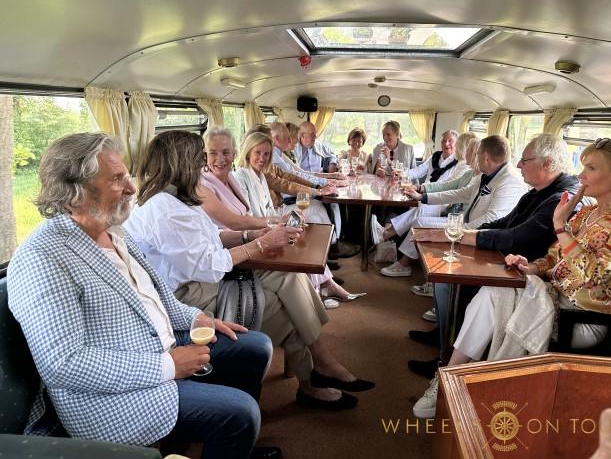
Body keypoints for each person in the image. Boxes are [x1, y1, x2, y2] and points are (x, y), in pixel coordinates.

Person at [7, 132, 279, 459]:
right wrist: (167, 365)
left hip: (157, 343)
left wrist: (197, 318)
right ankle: (232, 436)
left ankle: (236, 448)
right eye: (117, 179)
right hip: (113, 397)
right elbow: (64, 364)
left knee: (255, 348)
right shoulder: (43, 258)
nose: (132, 188)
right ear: (76, 191)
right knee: (240, 414)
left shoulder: (112, 231)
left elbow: (155, 296)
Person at [124, 130, 374, 413]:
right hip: (191, 294)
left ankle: (321, 364)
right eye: (200, 158)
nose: (203, 165)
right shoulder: (166, 210)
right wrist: (261, 243)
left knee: (291, 275)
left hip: (204, 278)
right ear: (182, 164)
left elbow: (213, 237)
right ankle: (313, 379)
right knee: (288, 310)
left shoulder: (179, 199)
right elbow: (208, 266)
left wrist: (251, 236)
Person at [413, 137, 611, 419]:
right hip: (555, 295)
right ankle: (452, 379)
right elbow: (555, 256)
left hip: (584, 317)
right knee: (491, 292)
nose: (581, 176)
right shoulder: (589, 213)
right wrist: (533, 266)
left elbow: (593, 274)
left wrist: (560, 226)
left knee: (493, 296)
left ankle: (461, 382)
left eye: (591, 168)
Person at [406, 134, 581, 379]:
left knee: (455, 282)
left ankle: (447, 357)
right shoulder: (536, 193)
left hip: (526, 270)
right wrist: (462, 234)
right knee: (448, 280)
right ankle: (444, 342)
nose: (518, 164)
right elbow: (504, 223)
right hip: (509, 260)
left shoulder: (559, 199)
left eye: (525, 160)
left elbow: (516, 237)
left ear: (548, 163)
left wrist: (458, 236)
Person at [200, 126, 365, 309]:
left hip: (258, 229)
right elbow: (241, 220)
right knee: (298, 240)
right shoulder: (231, 179)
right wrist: (277, 222)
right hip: (240, 243)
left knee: (300, 233)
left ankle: (325, 284)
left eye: (266, 154)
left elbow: (288, 182)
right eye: (258, 153)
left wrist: (285, 217)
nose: (262, 158)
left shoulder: (246, 177)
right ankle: (320, 289)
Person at [380, 135, 528, 277]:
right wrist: (423, 197)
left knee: (425, 227)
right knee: (422, 225)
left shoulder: (510, 182)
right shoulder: (487, 175)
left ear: (486, 157)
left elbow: (491, 220)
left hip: (482, 237)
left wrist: (455, 232)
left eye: (478, 154)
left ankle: (406, 263)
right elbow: (461, 193)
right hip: (466, 226)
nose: (476, 158)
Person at [293, 121, 359, 259]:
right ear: (301, 136)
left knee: (335, 202)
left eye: (316, 134)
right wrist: (330, 178)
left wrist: (332, 165)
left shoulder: (318, 146)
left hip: (319, 185)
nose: (315, 137)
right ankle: (332, 247)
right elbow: (299, 175)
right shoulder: (293, 151)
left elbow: (332, 154)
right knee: (325, 206)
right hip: (302, 190)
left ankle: (335, 243)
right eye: (312, 134)